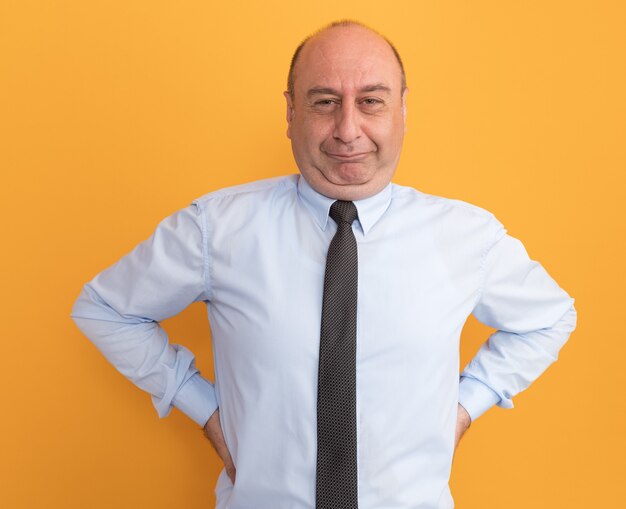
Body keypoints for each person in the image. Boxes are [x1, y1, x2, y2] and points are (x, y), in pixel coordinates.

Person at [71, 20, 577, 509]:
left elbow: (551, 316)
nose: (348, 129)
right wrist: (199, 407)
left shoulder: (469, 237)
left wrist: (467, 406)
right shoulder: (216, 228)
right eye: (325, 102)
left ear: (402, 110)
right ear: (291, 113)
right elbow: (104, 308)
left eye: (371, 102)